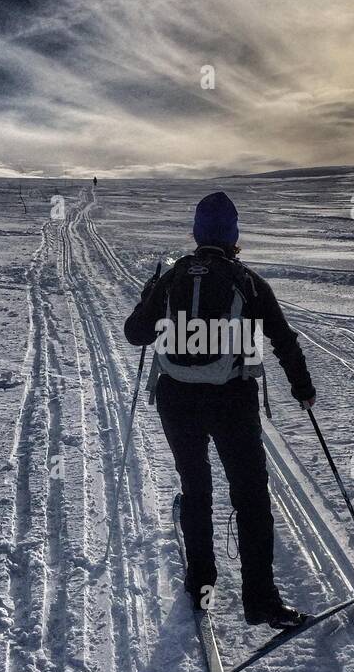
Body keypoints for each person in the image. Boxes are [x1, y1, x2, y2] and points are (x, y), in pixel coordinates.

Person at [124, 191, 316, 629]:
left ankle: (201, 586)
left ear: (196, 233)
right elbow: (283, 338)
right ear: (233, 236)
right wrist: (302, 387)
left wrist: (148, 295)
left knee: (196, 492)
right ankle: (262, 601)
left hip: (178, 401)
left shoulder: (171, 279)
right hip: (232, 401)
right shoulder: (248, 281)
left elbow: (136, 334)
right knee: (250, 498)